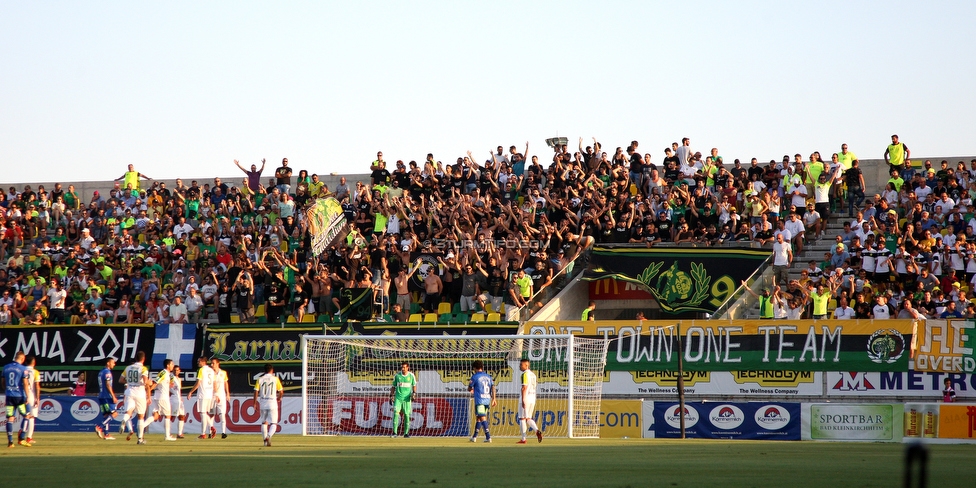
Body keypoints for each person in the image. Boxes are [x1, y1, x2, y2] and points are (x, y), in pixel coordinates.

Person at [120, 351, 152, 444]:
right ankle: (140, 439)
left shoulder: (128, 368)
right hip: (140, 393)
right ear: (143, 358)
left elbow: (121, 380)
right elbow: (145, 381)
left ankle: (124, 420)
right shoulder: (143, 368)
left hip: (129, 391)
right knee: (140, 416)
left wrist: (130, 381)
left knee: (129, 411)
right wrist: (149, 382)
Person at [3, 351, 31, 447]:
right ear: (22, 359)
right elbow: (25, 383)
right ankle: (22, 438)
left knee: (10, 418)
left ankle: (10, 442)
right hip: (19, 397)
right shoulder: (23, 369)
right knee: (27, 415)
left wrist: (6, 389)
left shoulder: (6, 367)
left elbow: (3, 381)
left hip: (9, 396)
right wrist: (27, 396)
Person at [254, 363, 283, 447]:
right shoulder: (275, 379)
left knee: (264, 423)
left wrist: (254, 403)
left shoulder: (260, 379)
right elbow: (281, 391)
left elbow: (256, 391)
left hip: (263, 404)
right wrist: (279, 398)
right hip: (272, 404)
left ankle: (265, 442)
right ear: (272, 370)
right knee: (274, 423)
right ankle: (268, 436)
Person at [187, 356, 216, 439]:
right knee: (205, 413)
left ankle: (205, 432)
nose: (198, 363)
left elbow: (198, 383)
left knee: (203, 413)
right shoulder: (211, 370)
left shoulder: (201, 370)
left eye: (199, 361)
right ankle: (207, 430)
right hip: (209, 394)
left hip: (203, 394)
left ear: (203, 362)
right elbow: (214, 383)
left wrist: (191, 391)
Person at [467, 360, 496, 443]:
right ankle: (474, 437)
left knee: (482, 417)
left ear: (475, 368)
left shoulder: (475, 376)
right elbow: (493, 388)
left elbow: (469, 388)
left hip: (480, 400)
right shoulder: (488, 376)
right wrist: (494, 398)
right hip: (487, 399)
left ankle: (488, 437)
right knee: (479, 418)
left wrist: (471, 389)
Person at [516, 358, 542, 444]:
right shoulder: (533, 375)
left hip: (526, 398)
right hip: (532, 398)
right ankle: (537, 430)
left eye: (521, 365)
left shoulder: (525, 374)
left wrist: (523, 400)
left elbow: (524, 388)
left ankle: (523, 439)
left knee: (522, 418)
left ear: (526, 365)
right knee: (528, 418)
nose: (520, 366)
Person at [389, 361, 417, 438]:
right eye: (402, 367)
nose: (403, 369)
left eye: (404, 367)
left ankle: (406, 433)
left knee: (407, 415)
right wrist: (391, 395)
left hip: (407, 398)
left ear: (408, 367)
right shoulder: (397, 376)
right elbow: (393, 387)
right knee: (395, 413)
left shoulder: (411, 376)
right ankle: (394, 433)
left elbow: (414, 385)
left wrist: (414, 393)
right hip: (398, 398)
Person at [151, 359, 177, 441]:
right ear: (168, 365)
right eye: (172, 364)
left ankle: (142, 428)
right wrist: (148, 391)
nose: (173, 365)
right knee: (167, 416)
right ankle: (167, 436)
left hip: (160, 397)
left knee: (156, 416)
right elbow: (155, 383)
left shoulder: (170, 375)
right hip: (162, 398)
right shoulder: (163, 372)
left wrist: (170, 385)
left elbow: (170, 385)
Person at [95, 357, 118, 440]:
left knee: (106, 415)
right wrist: (113, 396)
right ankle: (99, 426)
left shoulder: (101, 372)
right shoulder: (107, 372)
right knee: (114, 414)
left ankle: (107, 434)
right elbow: (108, 384)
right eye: (113, 362)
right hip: (107, 396)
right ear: (108, 363)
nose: (114, 364)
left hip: (101, 396)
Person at [23, 355, 40, 445]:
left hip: (21, 395)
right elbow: (37, 386)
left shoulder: (22, 370)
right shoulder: (35, 372)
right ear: (33, 362)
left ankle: (21, 435)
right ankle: (28, 437)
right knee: (31, 417)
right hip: (31, 395)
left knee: (23, 416)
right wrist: (37, 398)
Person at [212, 358, 230, 439]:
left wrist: (228, 393)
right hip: (212, 396)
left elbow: (226, 383)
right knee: (211, 414)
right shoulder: (210, 373)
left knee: (222, 414)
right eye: (211, 363)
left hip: (222, 396)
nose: (212, 365)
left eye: (213, 363)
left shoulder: (223, 372)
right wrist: (215, 394)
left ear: (218, 363)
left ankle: (223, 432)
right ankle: (210, 432)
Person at [170, 364, 186, 439]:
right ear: (172, 370)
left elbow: (179, 390)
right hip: (173, 398)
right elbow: (168, 388)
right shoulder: (171, 378)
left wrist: (181, 397)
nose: (176, 371)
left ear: (179, 371)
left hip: (179, 399)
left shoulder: (179, 379)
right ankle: (168, 432)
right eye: (175, 370)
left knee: (182, 416)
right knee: (172, 417)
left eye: (177, 370)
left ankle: (179, 433)